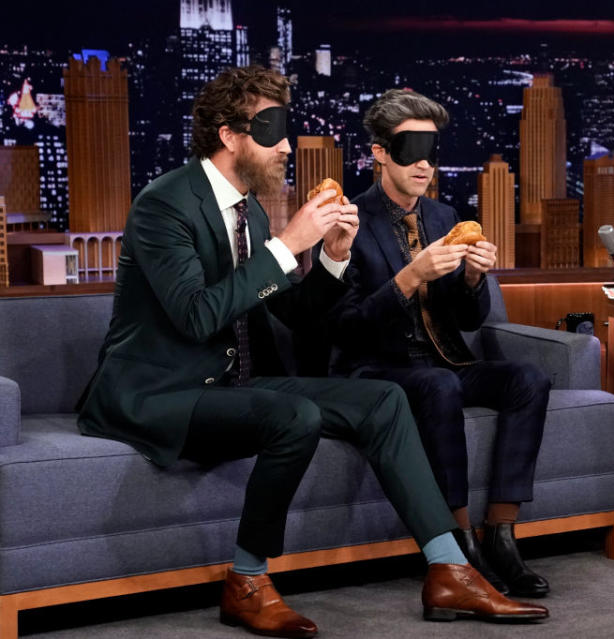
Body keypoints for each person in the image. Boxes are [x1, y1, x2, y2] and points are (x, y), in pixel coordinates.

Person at [76, 67, 546, 639]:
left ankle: (449, 568)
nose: (285, 148)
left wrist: (331, 258)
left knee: (383, 401)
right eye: (271, 132)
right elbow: (196, 315)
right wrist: (287, 245)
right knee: (293, 415)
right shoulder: (164, 204)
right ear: (230, 136)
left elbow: (296, 316)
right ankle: (247, 581)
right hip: (159, 394)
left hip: (234, 385)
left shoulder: (248, 210)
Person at [323, 89, 551, 598]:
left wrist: (473, 279)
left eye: (432, 150)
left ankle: (502, 535)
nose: (424, 163)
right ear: (380, 152)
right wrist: (408, 278)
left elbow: (471, 320)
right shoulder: (348, 222)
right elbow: (345, 327)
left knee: (528, 379)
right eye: (412, 149)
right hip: (378, 369)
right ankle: (457, 541)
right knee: (437, 385)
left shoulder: (444, 217)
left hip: (445, 360)